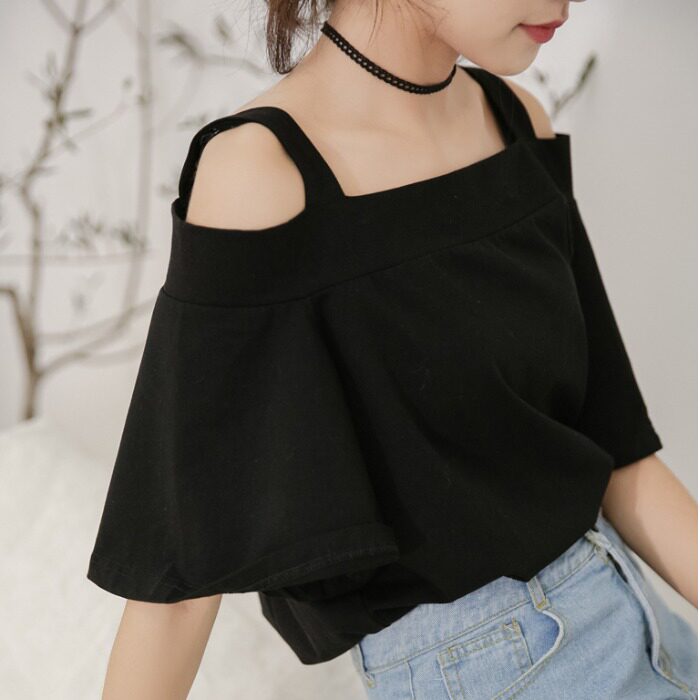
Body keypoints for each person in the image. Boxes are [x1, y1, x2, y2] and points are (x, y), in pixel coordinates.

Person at [86, 0, 698, 698]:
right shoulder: (258, 175)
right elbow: (178, 577)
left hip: (642, 620)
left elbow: (621, 453)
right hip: (499, 670)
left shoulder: (516, 122)